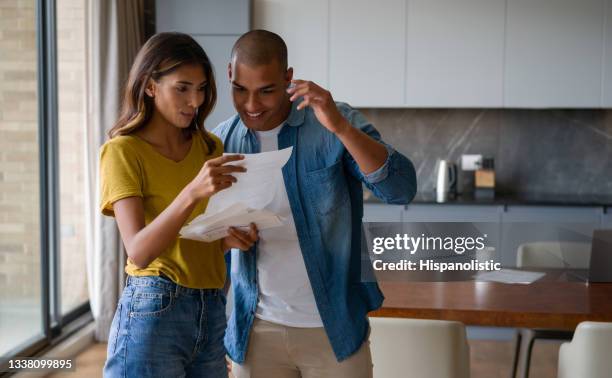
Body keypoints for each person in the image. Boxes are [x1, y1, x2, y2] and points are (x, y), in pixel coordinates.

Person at [213, 30, 417, 378]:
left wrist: (340, 128)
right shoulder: (222, 141)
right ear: (229, 76)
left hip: (333, 328)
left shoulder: (331, 122)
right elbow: (207, 241)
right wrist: (224, 239)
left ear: (288, 79)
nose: (252, 105)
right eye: (240, 90)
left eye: (266, 90)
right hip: (255, 329)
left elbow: (400, 189)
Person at [100, 32, 258, 378]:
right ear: (151, 86)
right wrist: (192, 192)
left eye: (201, 88)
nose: (195, 101)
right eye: (182, 88)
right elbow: (139, 250)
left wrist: (225, 240)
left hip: (212, 306)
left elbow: (195, 239)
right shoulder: (123, 151)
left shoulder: (209, 147)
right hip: (155, 306)